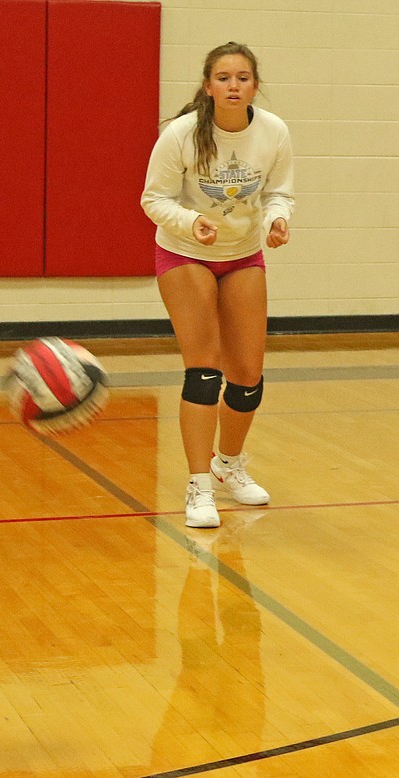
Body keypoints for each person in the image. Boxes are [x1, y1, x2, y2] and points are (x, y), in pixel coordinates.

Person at [141, 41, 294, 529]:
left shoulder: (273, 131)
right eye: (224, 78)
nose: (233, 86)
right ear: (208, 86)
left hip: (243, 255)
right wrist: (191, 222)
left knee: (247, 378)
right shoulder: (182, 134)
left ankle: (227, 465)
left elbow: (278, 192)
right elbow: (153, 199)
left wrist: (277, 219)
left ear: (255, 85)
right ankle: (198, 486)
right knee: (205, 370)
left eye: (242, 78)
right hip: (185, 252)